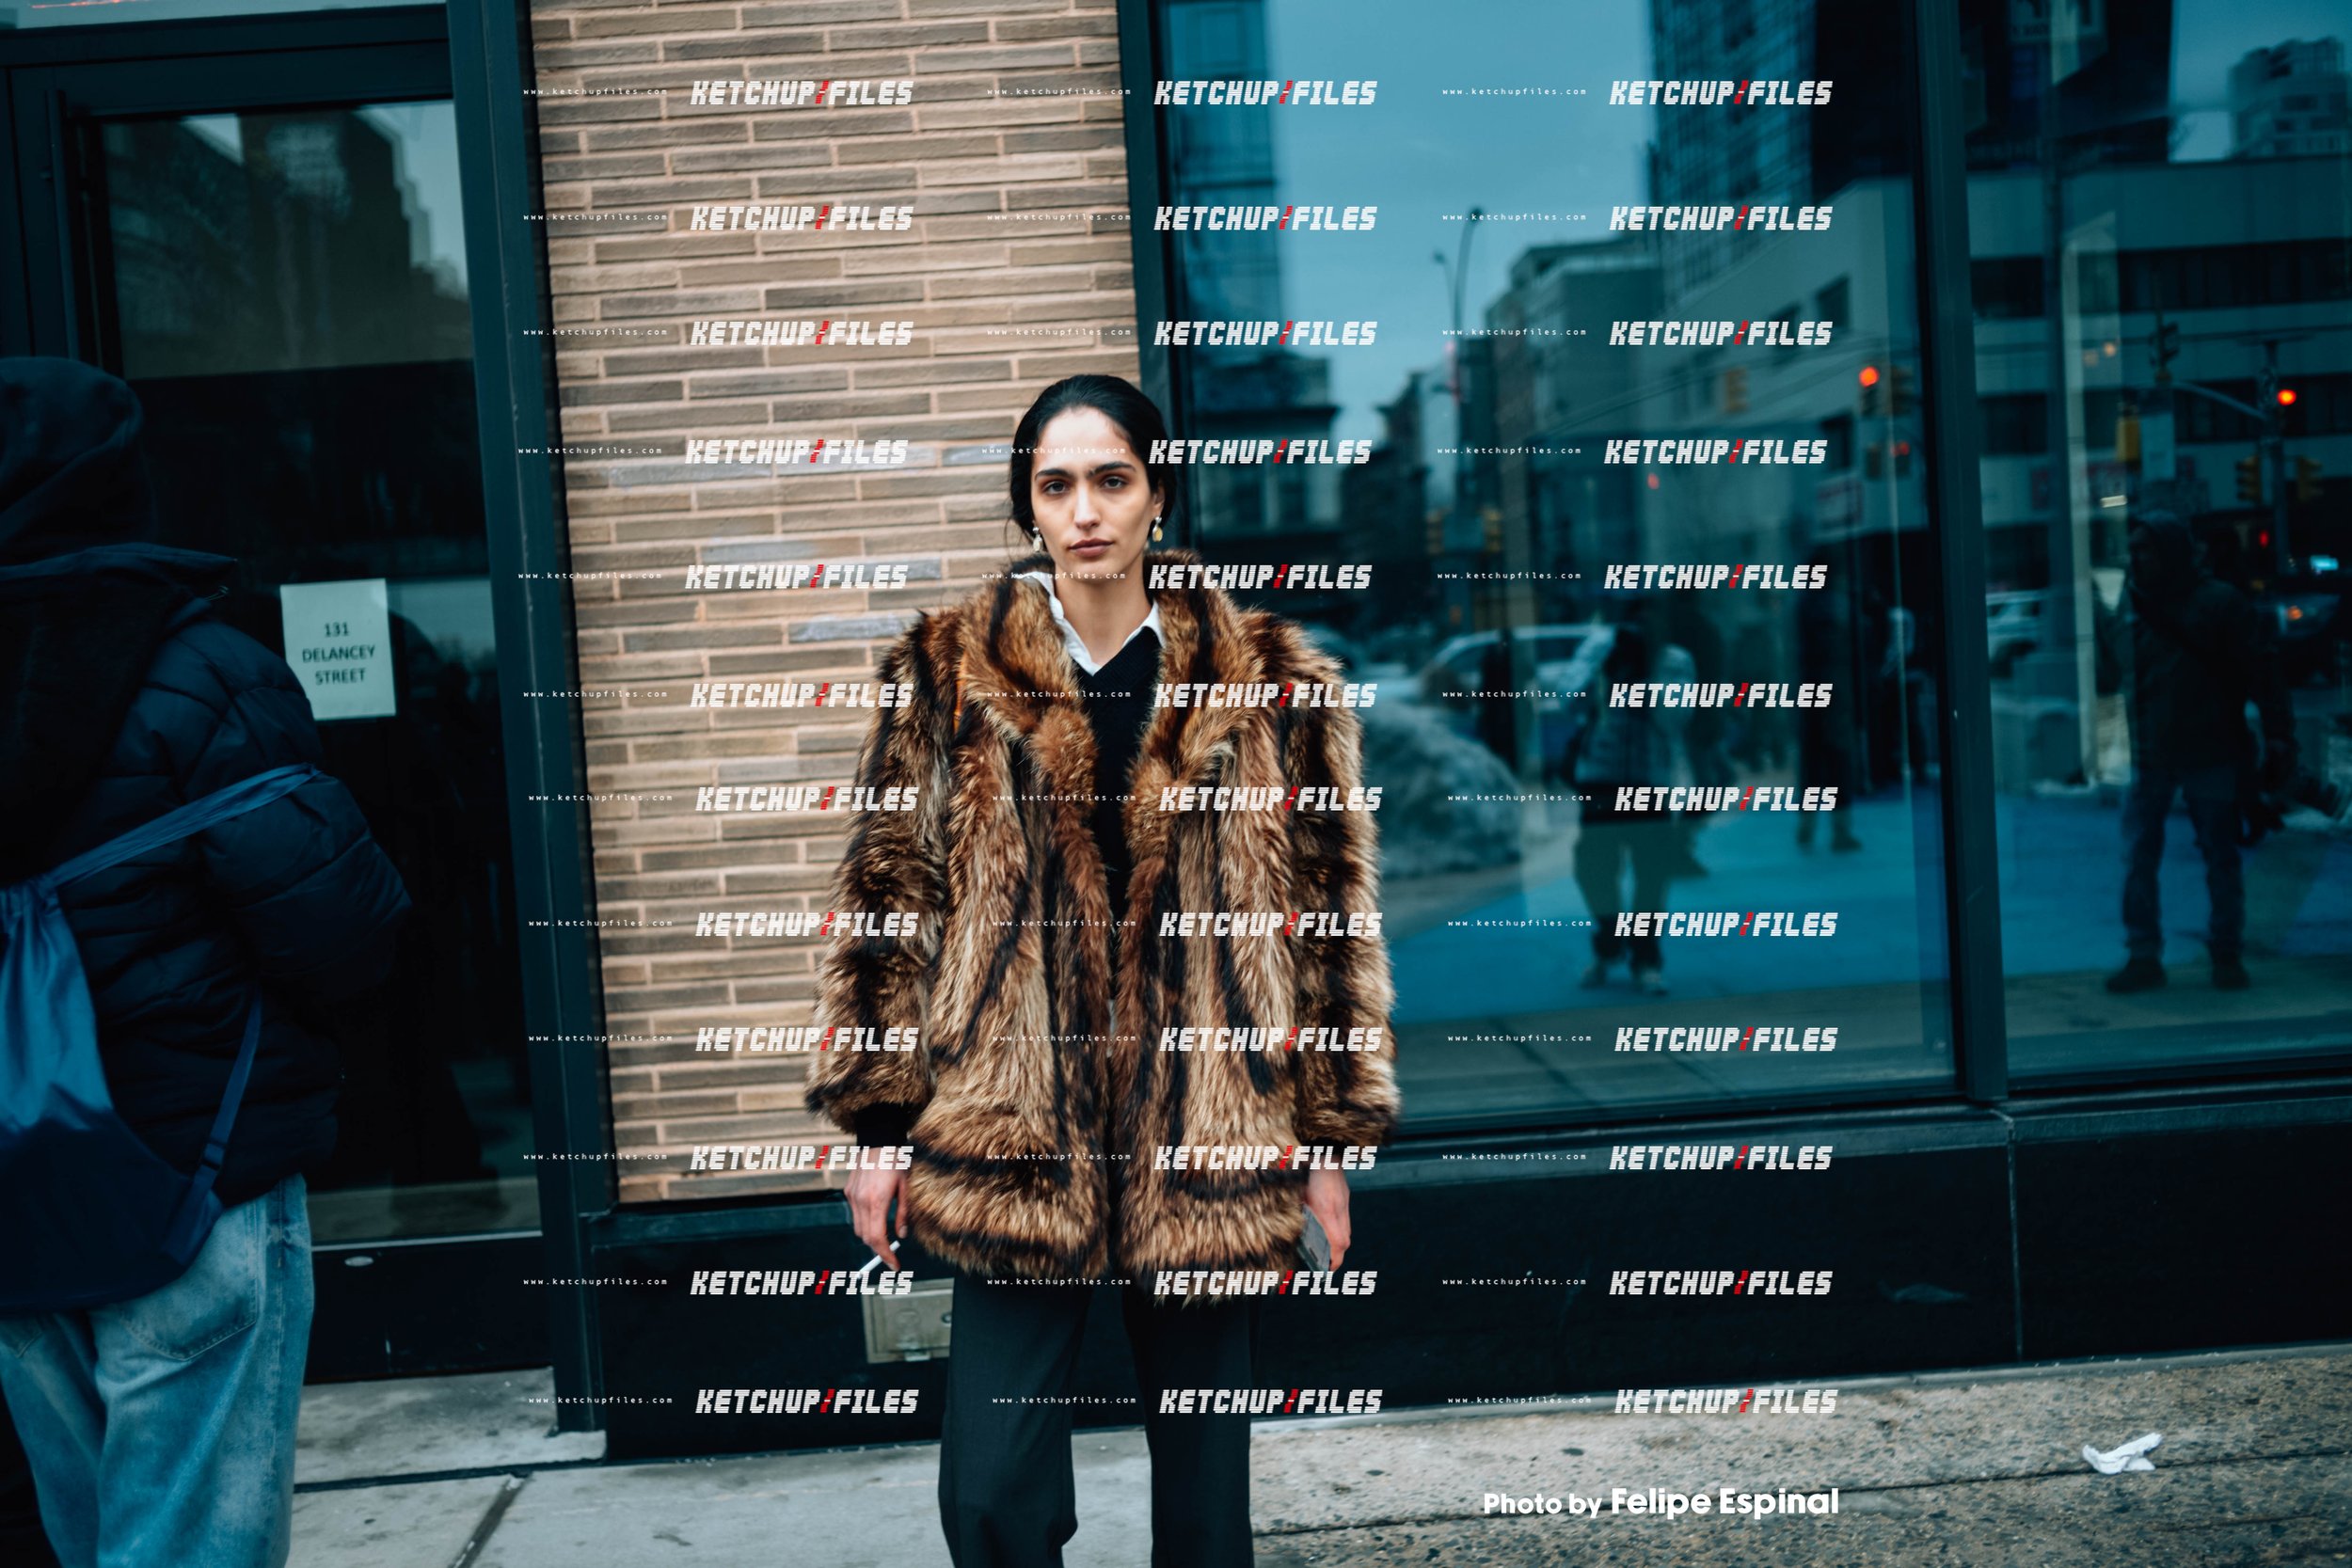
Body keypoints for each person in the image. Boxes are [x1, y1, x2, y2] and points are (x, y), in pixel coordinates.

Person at [803, 374, 1400, 1568]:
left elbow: (1331, 918)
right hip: (1013, 1124)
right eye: (1056, 484)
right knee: (992, 1487)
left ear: (1157, 499)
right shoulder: (941, 676)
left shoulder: (1273, 683)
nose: (1086, 511)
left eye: (1111, 480)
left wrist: (1328, 1141)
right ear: (1029, 510)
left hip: (1210, 1124)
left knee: (1203, 1500)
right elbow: (887, 900)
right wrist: (877, 1124)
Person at [0, 358, 411, 1566]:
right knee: (191, 1542)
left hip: (12, 1194)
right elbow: (345, 929)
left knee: (89, 1535)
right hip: (196, 1171)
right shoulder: (203, 672)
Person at [2099, 511, 2294, 992]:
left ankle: (2225, 952)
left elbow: (2263, 672)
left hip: (2210, 750)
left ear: (2170, 552)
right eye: (2135, 549)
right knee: (2141, 857)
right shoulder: (2133, 603)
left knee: (2218, 856)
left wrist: (2278, 735)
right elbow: (2118, 674)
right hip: (2151, 753)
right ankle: (2145, 953)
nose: (2138, 558)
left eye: (2147, 549)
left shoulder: (2217, 603)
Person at [1571, 606, 1695, 994]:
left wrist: (1647, 674)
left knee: (1651, 872)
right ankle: (1609, 941)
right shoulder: (1599, 649)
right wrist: (1603, 667)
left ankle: (1646, 956)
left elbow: (1674, 717)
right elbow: (1566, 700)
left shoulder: (1674, 660)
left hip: (1648, 780)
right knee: (1592, 867)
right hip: (1599, 778)